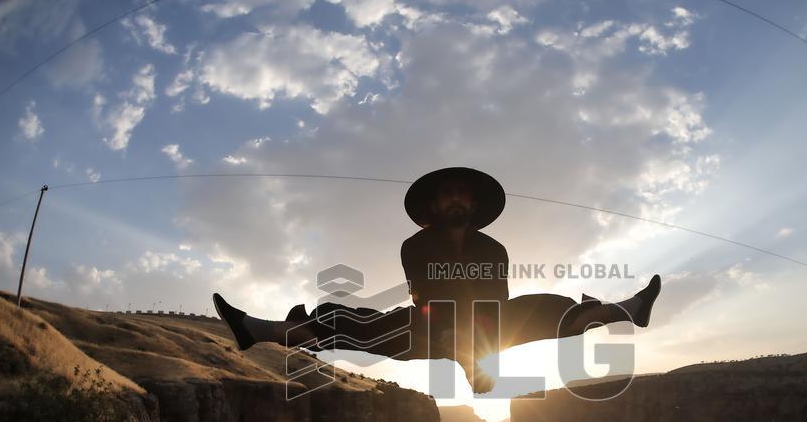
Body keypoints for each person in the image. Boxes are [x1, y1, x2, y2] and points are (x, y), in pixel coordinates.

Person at [212, 166, 661, 393]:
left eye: (462, 193)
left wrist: (478, 346)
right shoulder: (417, 246)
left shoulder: (494, 251)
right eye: (447, 193)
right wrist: (457, 337)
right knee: (354, 324)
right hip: (427, 327)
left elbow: (496, 305)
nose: (455, 199)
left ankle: (629, 310)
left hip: (486, 330)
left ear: (474, 203)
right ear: (435, 205)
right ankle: (258, 330)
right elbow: (427, 302)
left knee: (549, 306)